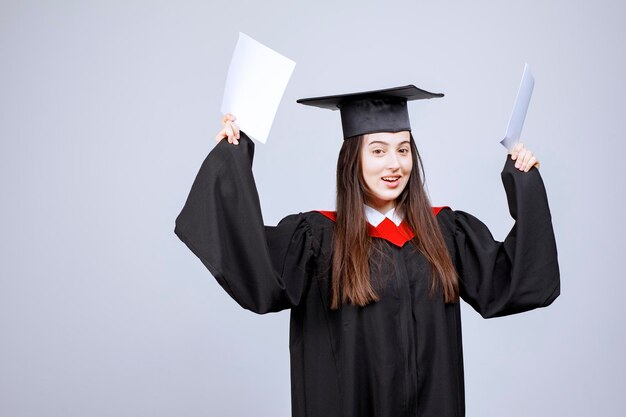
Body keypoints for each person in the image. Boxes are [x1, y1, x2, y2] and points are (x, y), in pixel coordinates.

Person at [174, 85, 559, 417]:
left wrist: (525, 184)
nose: (394, 164)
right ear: (352, 160)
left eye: (403, 150)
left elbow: (516, 281)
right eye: (378, 151)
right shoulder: (316, 239)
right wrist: (233, 158)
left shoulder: (444, 233)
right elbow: (255, 272)